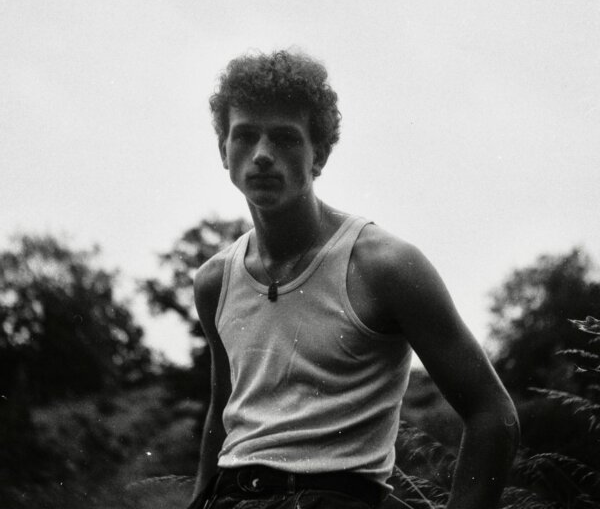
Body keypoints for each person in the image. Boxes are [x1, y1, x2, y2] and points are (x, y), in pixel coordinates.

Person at [190, 50, 519, 509]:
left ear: (319, 155)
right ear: (224, 150)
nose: (262, 155)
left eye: (285, 138)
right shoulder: (214, 281)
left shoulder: (384, 265)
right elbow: (223, 414)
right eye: (245, 136)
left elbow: (492, 414)